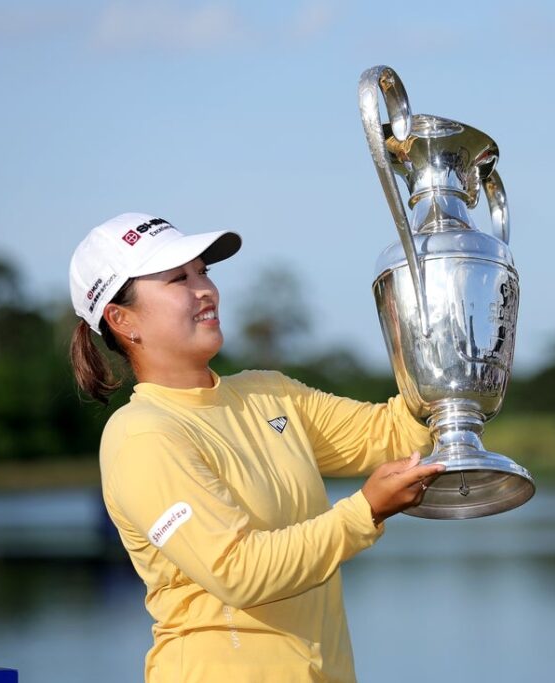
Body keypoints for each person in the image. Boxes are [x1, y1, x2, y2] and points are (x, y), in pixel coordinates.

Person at [67, 212, 442, 683]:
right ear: (122, 320)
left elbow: (392, 433)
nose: (204, 289)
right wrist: (364, 511)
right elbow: (237, 571)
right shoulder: (143, 434)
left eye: (203, 271)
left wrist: (450, 373)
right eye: (178, 279)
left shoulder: (268, 393)